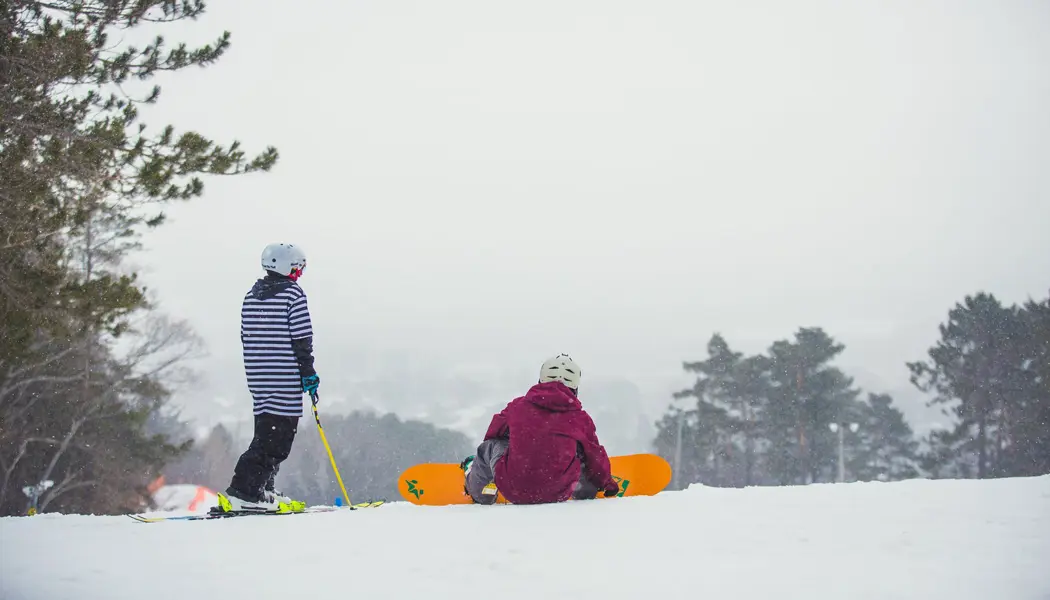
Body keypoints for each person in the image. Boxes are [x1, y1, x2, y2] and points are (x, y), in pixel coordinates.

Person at [216, 242, 319, 513]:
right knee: (276, 441)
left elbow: (245, 336)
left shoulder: (252, 295)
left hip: (259, 376)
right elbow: (301, 338)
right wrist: (308, 372)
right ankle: (244, 491)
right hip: (283, 375)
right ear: (288, 268)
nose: (300, 273)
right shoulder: (293, 295)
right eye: (298, 268)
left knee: (267, 432)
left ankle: (264, 489)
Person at [462, 354, 620, 505]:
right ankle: (584, 494)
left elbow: (494, 433)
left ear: (541, 380)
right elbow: (595, 455)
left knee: (490, 446)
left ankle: (481, 493)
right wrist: (607, 484)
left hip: (513, 489)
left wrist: (515, 445)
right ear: (575, 388)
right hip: (559, 493)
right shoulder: (580, 418)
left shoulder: (518, 406)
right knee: (582, 453)